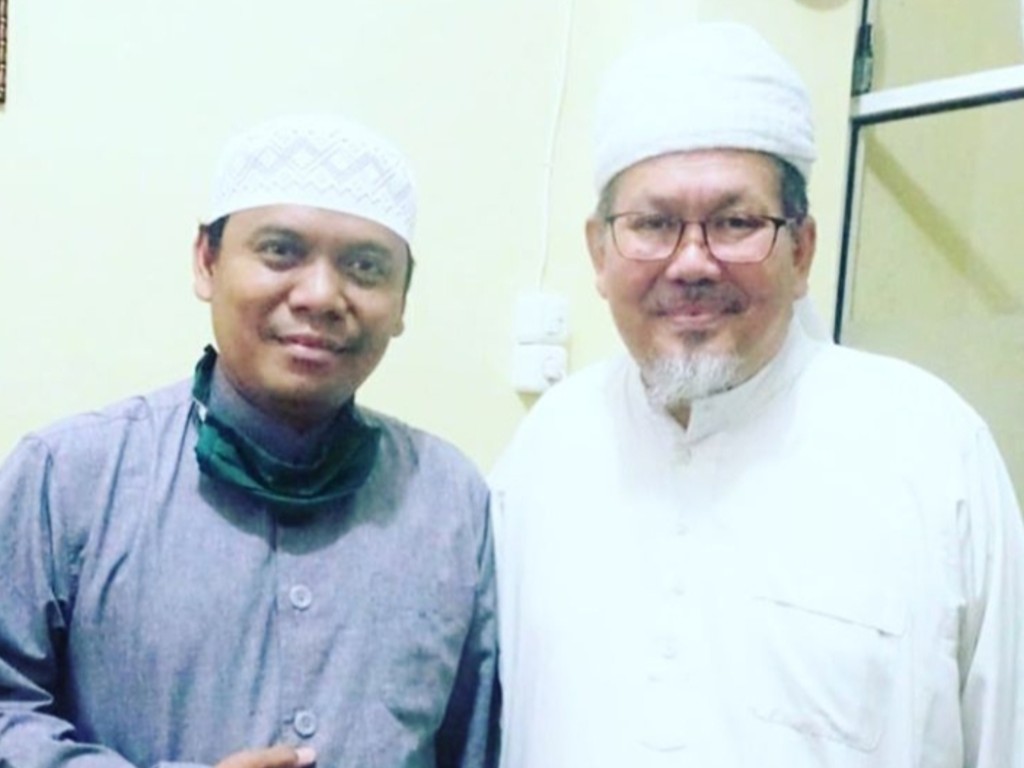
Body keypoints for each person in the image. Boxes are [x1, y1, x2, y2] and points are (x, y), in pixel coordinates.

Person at [490, 21, 1024, 768]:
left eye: (737, 222)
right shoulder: (546, 451)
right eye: (652, 224)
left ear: (801, 250)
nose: (691, 263)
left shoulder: (933, 454)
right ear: (599, 252)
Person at [0, 114, 499, 768]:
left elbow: (478, 743)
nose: (320, 295)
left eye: (365, 266)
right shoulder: (68, 478)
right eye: (281, 251)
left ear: (402, 299)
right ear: (206, 261)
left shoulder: (449, 501)